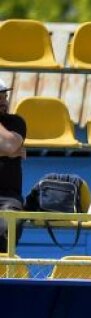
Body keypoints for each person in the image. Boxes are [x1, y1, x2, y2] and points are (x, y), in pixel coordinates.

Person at [0, 79, 27, 254]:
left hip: (8, 198)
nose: (4, 101)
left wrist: (10, 150)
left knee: (10, 225)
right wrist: (10, 152)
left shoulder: (16, 122)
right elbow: (11, 149)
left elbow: (10, 145)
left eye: (5, 96)